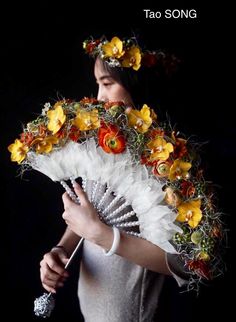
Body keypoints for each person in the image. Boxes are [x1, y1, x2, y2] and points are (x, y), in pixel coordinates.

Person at [39, 36, 191, 322]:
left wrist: (101, 234)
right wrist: (61, 250)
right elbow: (89, 214)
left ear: (137, 84)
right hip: (92, 307)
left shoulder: (168, 161)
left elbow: (181, 262)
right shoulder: (108, 143)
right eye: (98, 84)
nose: (99, 97)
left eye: (107, 84)